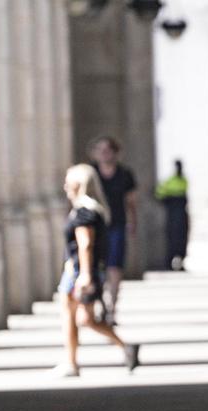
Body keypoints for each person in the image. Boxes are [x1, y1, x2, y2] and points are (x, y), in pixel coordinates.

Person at [54, 164, 140, 377]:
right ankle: (73, 360)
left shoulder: (85, 212)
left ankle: (119, 348)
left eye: (69, 181)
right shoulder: (91, 209)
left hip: (80, 271)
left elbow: (85, 244)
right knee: (77, 316)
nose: (65, 186)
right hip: (80, 270)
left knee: (80, 318)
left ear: (79, 183)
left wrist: (85, 274)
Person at [90, 136, 137, 324]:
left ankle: (112, 307)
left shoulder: (124, 174)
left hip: (117, 224)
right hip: (96, 225)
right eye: (100, 150)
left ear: (115, 153)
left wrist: (133, 222)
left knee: (115, 267)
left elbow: (131, 202)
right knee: (97, 268)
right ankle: (100, 304)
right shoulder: (91, 173)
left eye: (107, 150)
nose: (104, 153)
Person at [155, 159, 189, 271]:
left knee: (182, 240)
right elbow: (159, 194)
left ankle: (180, 262)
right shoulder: (169, 181)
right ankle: (169, 263)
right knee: (172, 239)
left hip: (181, 214)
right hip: (172, 214)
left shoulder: (184, 180)